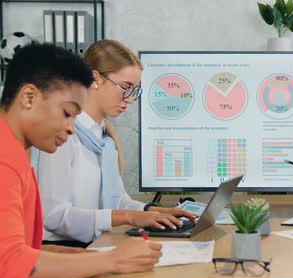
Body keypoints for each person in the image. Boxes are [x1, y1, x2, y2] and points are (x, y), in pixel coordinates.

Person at [0, 43, 162, 278]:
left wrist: (97, 256)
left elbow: (25, 249)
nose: (71, 129)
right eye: (67, 114)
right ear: (29, 98)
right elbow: (11, 262)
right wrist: (111, 261)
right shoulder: (4, 162)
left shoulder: (15, 155)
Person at [36, 39, 196, 247]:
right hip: (63, 250)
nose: (129, 99)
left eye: (134, 91)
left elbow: (118, 199)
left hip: (97, 245)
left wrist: (154, 211)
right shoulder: (63, 136)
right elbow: (55, 216)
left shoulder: (103, 137)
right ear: (95, 79)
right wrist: (127, 217)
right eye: (125, 87)